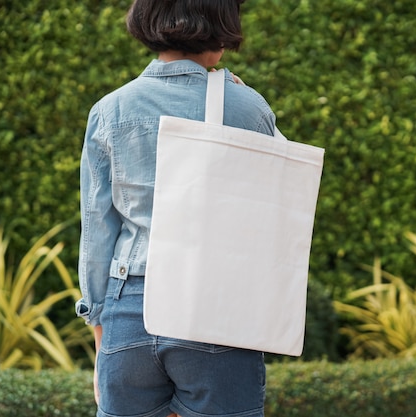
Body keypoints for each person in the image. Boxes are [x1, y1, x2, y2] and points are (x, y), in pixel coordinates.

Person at [76, 1, 275, 416]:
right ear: (223, 29)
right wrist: (246, 103)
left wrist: (100, 332)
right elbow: (285, 195)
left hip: (130, 305)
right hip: (216, 309)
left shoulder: (110, 110)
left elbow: (97, 231)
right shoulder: (247, 108)